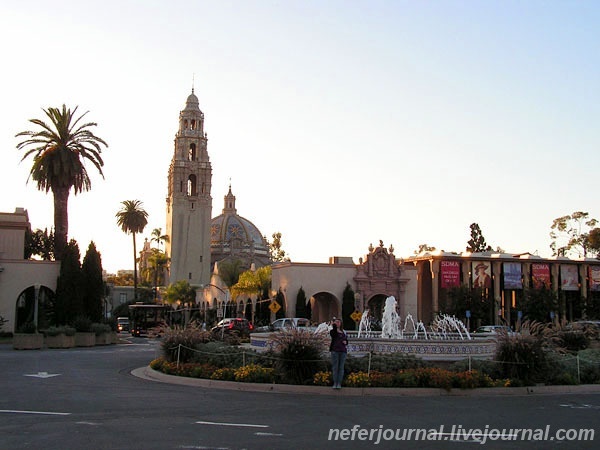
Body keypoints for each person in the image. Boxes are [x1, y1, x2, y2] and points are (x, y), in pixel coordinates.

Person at [329, 318, 348, 389]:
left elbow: (346, 340)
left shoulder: (344, 332)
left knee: (341, 368)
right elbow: (333, 335)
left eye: (339, 322)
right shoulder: (333, 331)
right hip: (335, 351)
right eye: (336, 322)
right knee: (335, 367)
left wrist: (346, 342)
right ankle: (335, 383)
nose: (337, 323)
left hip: (343, 351)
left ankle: (339, 383)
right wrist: (334, 326)